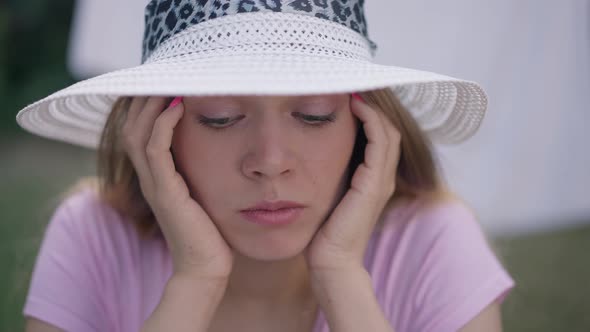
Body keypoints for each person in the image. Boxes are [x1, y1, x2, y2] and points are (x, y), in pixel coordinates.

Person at [17, 1, 514, 331]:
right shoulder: (93, 235)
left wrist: (342, 275)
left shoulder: (433, 243)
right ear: (153, 131)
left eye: (313, 115)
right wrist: (196, 281)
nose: (270, 162)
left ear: (365, 124)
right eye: (221, 118)